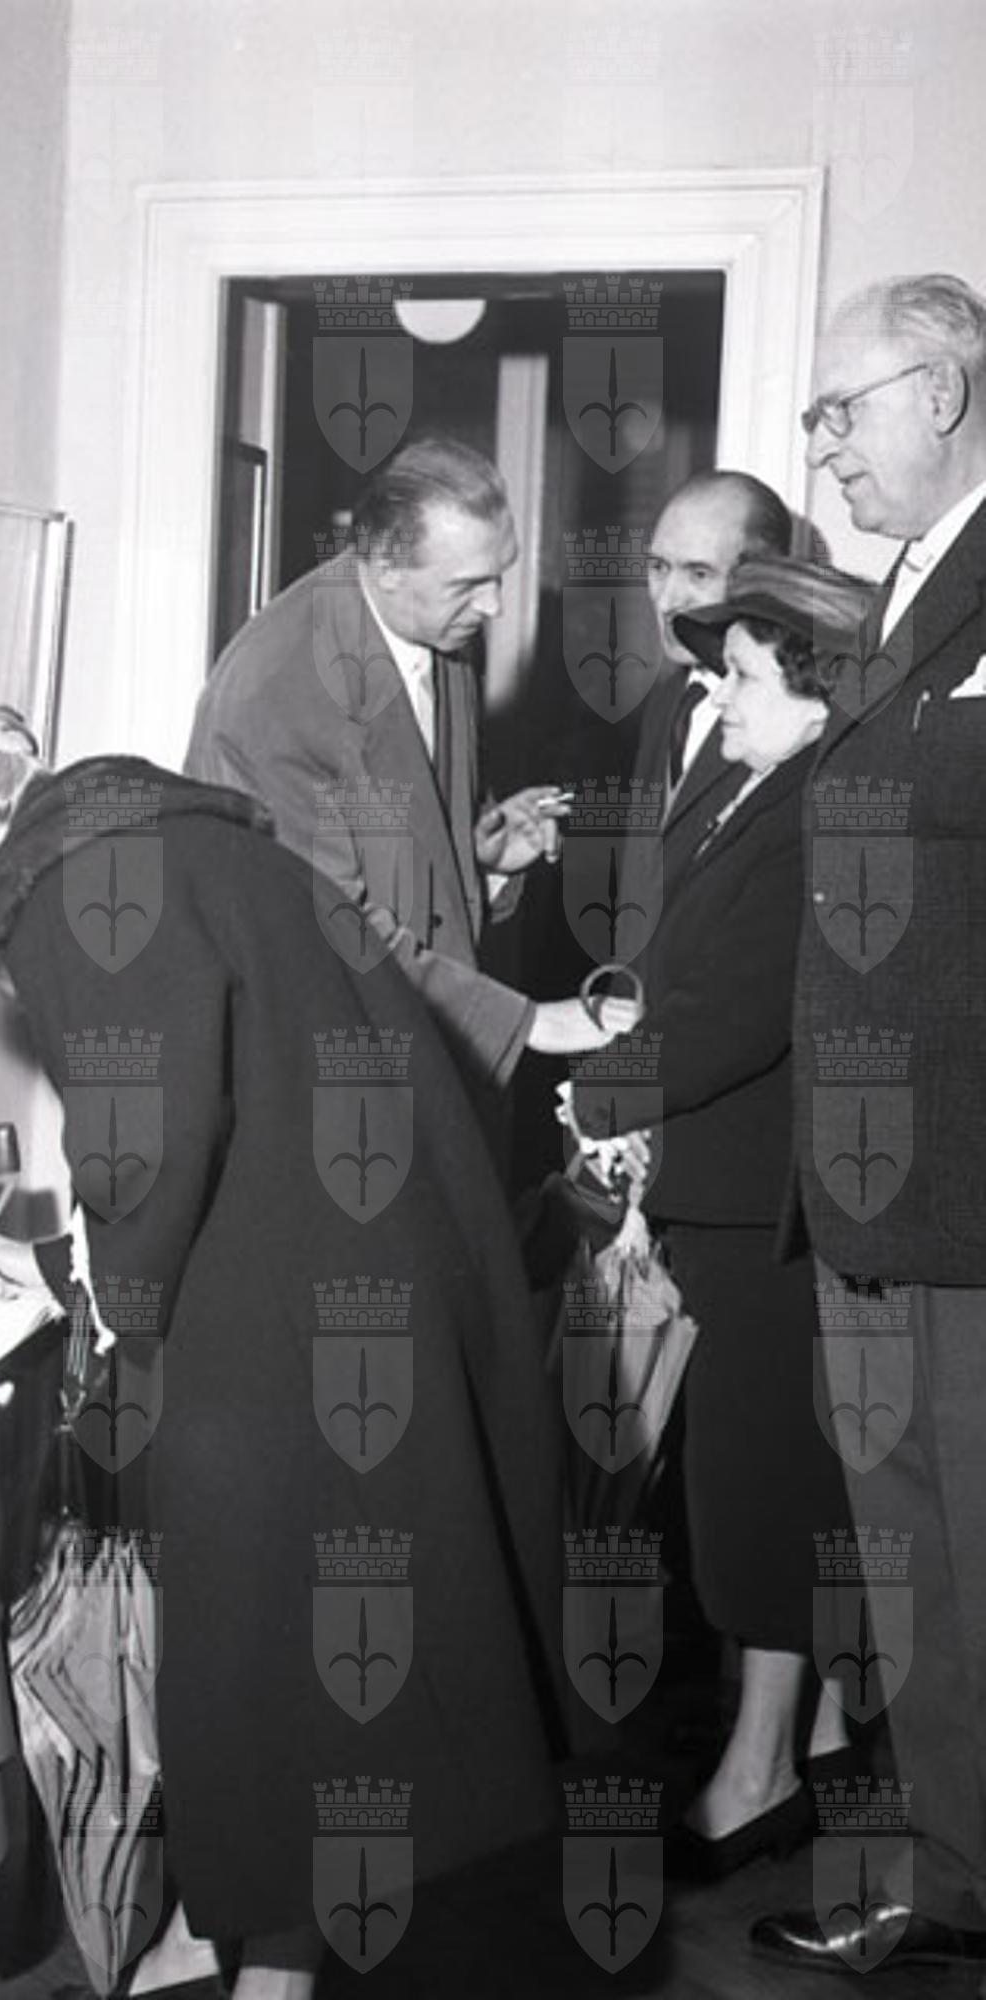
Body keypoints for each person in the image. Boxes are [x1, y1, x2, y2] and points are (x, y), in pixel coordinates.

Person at [0, 708, 593, 1998]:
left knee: (257, 1661)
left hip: (293, 1326)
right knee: (301, 1657)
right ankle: (227, 1938)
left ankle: (260, 1964)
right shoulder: (170, 834)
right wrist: (61, 1267)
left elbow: (144, 1143)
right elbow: (218, 1098)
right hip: (363, 1276)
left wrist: (97, 1305)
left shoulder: (63, 887)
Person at [566, 557, 870, 1882]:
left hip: (766, 1213)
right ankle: (799, 1757)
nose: (719, 693)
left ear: (814, 693)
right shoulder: (761, 792)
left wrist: (592, 1093)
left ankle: (756, 1780)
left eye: (741, 674)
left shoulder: (809, 815)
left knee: (757, 1497)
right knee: (760, 1491)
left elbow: (733, 1012)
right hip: (728, 1196)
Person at [753, 273, 986, 1975]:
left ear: (945, 395)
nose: (819, 445)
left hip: (969, 1197)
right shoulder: (892, 603)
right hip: (861, 1202)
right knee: (913, 1579)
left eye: (842, 408)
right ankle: (953, 1885)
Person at [185, 435, 630, 1091]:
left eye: (499, 575)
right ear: (387, 566)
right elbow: (326, 929)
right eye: (469, 585)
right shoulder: (277, 693)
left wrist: (481, 859)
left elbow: (409, 835)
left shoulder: (431, 624)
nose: (494, 607)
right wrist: (526, 1022)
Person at [634, 470, 795, 827]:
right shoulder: (666, 700)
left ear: (765, 582)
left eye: (699, 574)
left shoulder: (792, 719)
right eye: (658, 567)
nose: (666, 601)